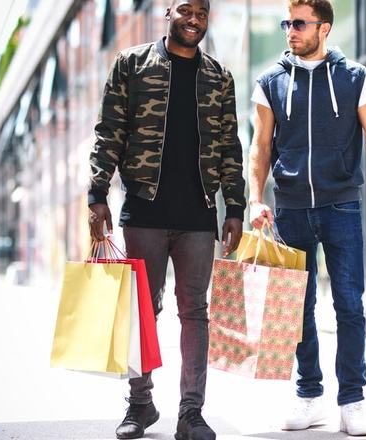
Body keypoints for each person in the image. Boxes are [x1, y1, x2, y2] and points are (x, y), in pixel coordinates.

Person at [87, 1, 246, 439]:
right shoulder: (132, 65)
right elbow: (110, 130)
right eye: (185, 10)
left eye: (201, 12)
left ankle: (190, 413)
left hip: (198, 213)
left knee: (195, 311)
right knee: (143, 311)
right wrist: (97, 193)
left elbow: (230, 146)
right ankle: (140, 404)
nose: (193, 19)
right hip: (145, 208)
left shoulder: (219, 76)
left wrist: (234, 207)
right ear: (167, 12)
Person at [248, 0, 366, 435]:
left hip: (342, 206)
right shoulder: (271, 81)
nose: (290, 31)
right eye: (287, 23)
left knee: (350, 306)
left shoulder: (354, 77)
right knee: (297, 307)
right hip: (291, 209)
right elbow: (260, 147)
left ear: (324, 27)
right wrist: (256, 199)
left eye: (299, 23)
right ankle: (309, 395)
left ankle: (352, 400)